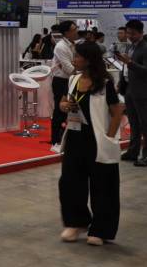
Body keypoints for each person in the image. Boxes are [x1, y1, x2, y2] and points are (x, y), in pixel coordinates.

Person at [58, 42, 125, 246]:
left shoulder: (104, 83)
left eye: (77, 56)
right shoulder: (73, 79)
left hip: (97, 141)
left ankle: (101, 229)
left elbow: (117, 112)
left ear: (88, 59)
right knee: (70, 182)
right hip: (75, 138)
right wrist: (64, 105)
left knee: (103, 186)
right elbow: (63, 102)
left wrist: (109, 137)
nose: (74, 60)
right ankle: (76, 222)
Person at [117, 19, 147, 167]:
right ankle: (133, 151)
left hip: (142, 90)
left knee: (145, 124)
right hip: (129, 88)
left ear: (141, 33)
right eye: (128, 33)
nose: (129, 36)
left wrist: (129, 63)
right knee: (133, 123)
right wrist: (121, 81)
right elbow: (125, 68)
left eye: (133, 34)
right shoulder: (130, 47)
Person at [50, 21, 78, 153]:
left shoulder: (74, 45)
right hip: (61, 81)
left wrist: (75, 66)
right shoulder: (61, 46)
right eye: (74, 29)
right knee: (59, 110)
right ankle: (55, 139)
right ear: (67, 32)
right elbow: (69, 68)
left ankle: (66, 137)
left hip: (72, 80)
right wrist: (78, 68)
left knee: (70, 110)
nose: (77, 31)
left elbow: (74, 65)